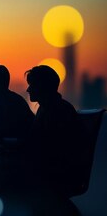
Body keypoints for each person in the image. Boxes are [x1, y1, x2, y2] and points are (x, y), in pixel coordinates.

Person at [23, 65, 89, 194]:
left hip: (57, 177)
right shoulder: (48, 108)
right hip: (52, 173)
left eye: (32, 85)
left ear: (43, 87)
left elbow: (47, 147)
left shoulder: (57, 111)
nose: (28, 89)